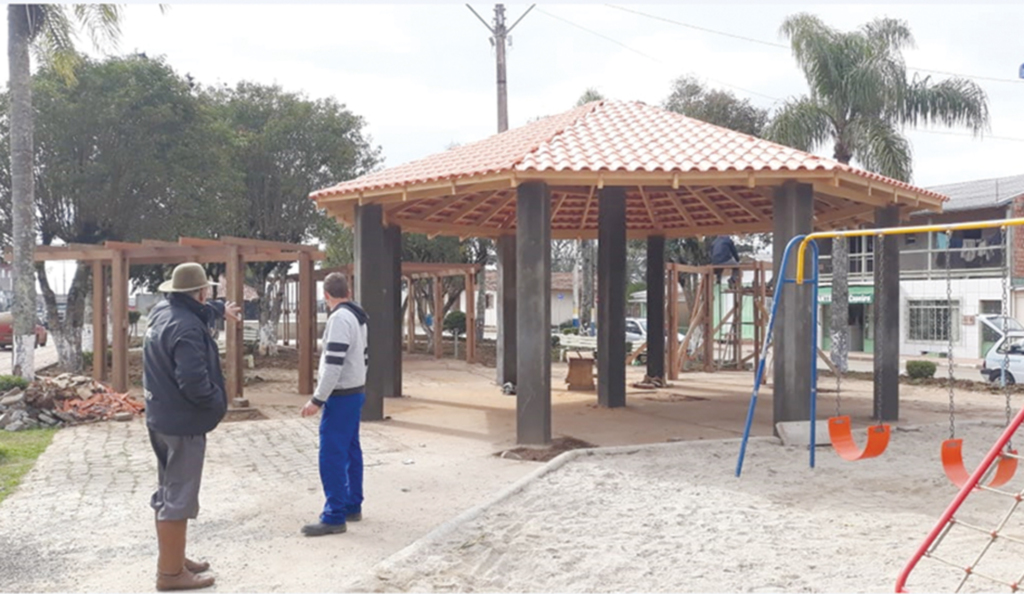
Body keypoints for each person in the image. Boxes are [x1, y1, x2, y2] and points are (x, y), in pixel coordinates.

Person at [144, 262, 240, 591]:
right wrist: (217, 402)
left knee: (168, 491)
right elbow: (193, 381)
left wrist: (217, 309)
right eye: (207, 292)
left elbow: (198, 311)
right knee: (179, 497)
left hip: (160, 418)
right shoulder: (186, 328)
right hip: (182, 423)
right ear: (200, 292)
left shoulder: (162, 314)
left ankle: (173, 557)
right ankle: (170, 574)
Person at [300, 272, 369, 537]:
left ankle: (334, 515)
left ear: (326, 295)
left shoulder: (339, 319)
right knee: (351, 449)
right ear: (348, 292)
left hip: (340, 395)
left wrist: (318, 399)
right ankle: (352, 504)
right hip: (355, 390)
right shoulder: (359, 317)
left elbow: (332, 364)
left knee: (331, 454)